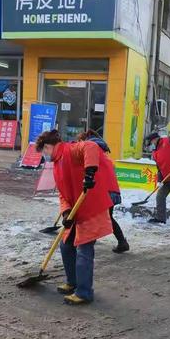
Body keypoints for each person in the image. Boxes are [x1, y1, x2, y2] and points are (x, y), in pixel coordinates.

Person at [35, 129, 113, 305]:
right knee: (65, 245)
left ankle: (84, 292)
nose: (44, 156)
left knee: (84, 250)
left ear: (48, 146)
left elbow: (91, 146)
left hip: (91, 207)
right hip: (76, 211)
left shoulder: (70, 150)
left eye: (44, 152)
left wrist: (90, 171)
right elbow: (63, 194)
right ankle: (73, 282)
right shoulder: (56, 165)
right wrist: (65, 212)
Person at [77, 130, 129, 253]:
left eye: (80, 141)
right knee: (107, 217)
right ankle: (122, 242)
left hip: (103, 190)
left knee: (95, 216)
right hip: (111, 189)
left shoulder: (91, 150)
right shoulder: (101, 151)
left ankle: (88, 244)